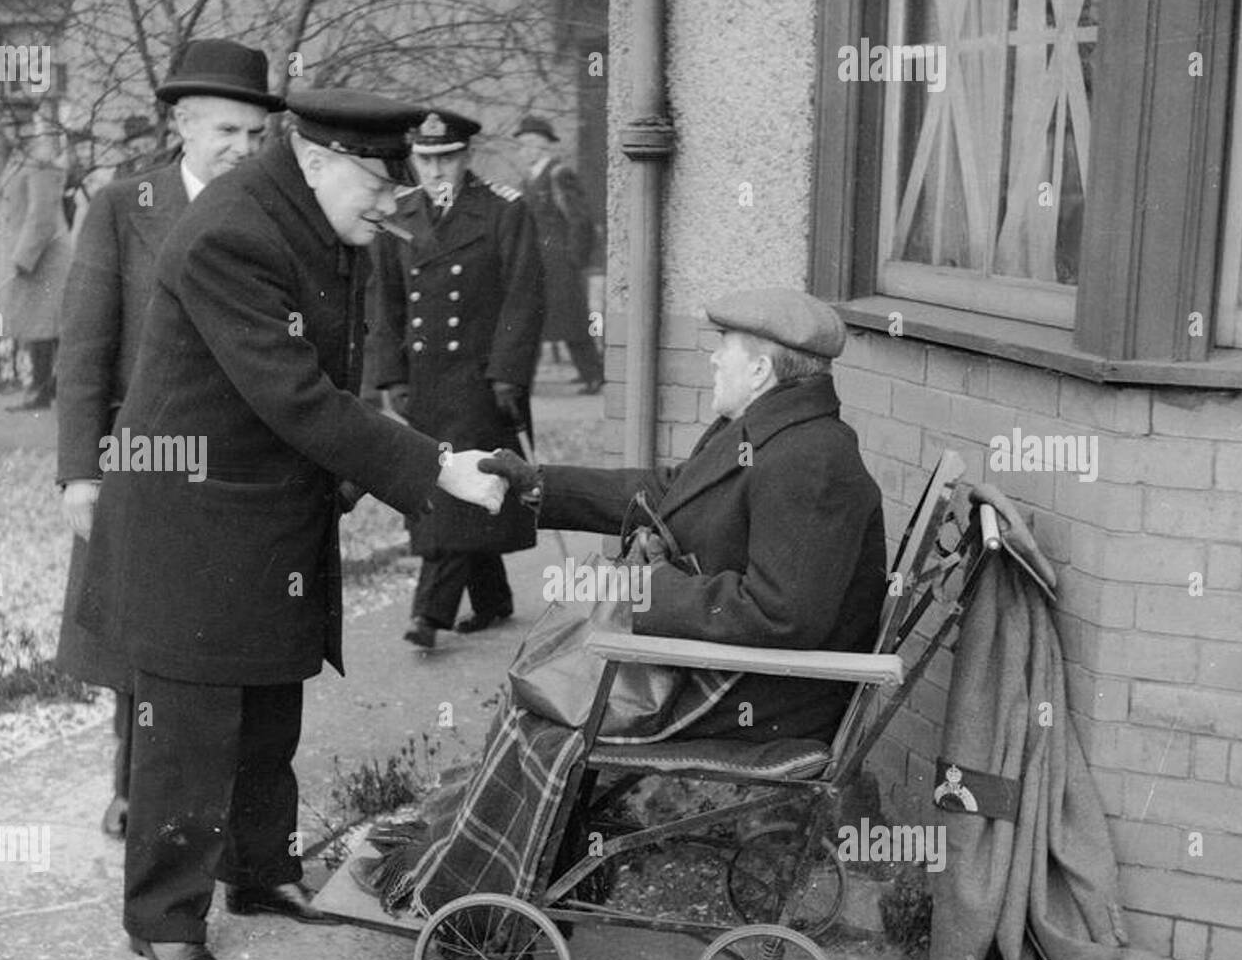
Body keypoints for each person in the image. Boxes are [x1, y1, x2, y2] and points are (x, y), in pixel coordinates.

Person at [76, 89, 510, 960]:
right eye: (379, 182)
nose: (391, 202)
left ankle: (260, 868)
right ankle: (161, 914)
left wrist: (355, 471)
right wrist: (428, 465)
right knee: (190, 720)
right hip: (192, 514)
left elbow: (331, 372)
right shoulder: (232, 233)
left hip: (266, 504)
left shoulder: (313, 212)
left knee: (272, 699)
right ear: (317, 159)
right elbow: (297, 394)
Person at [484, 287, 887, 743]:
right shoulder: (763, 432)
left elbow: (780, 615)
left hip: (763, 692)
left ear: (760, 370)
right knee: (543, 685)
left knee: (546, 718)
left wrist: (645, 588)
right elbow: (668, 493)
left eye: (723, 347)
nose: (713, 360)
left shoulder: (809, 460)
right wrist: (541, 484)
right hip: (720, 664)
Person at [55, 39, 281, 841]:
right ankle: (130, 782)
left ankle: (223, 811)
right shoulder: (124, 207)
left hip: (236, 472)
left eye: (255, 135)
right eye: (226, 131)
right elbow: (84, 346)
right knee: (132, 634)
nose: (242, 150)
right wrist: (81, 472)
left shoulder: (268, 212)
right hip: (139, 457)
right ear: (182, 122)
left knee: (219, 641)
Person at [371, 108, 545, 651]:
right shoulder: (396, 216)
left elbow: (524, 297)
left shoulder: (502, 211)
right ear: (413, 159)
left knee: (446, 491)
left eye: (447, 158)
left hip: (478, 379)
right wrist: (390, 374)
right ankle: (493, 598)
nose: (437, 169)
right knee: (453, 482)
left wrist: (508, 375)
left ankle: (430, 615)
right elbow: (385, 302)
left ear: (466, 156)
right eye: (426, 159)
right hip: (424, 379)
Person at [512, 115, 603, 394]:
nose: (523, 152)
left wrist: (575, 258)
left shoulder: (557, 174)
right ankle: (526, 376)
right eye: (522, 146)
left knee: (571, 320)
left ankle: (593, 375)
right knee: (540, 318)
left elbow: (580, 219)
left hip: (560, 261)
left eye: (527, 146)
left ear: (541, 147)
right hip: (540, 261)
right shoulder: (530, 177)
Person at [0, 116, 71, 412]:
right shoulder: (21, 159)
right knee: (41, 326)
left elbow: (41, 216)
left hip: (45, 256)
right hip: (34, 256)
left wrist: (23, 257)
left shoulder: (41, 162)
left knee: (47, 326)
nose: (12, 130)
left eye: (19, 125)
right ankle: (43, 389)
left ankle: (44, 391)